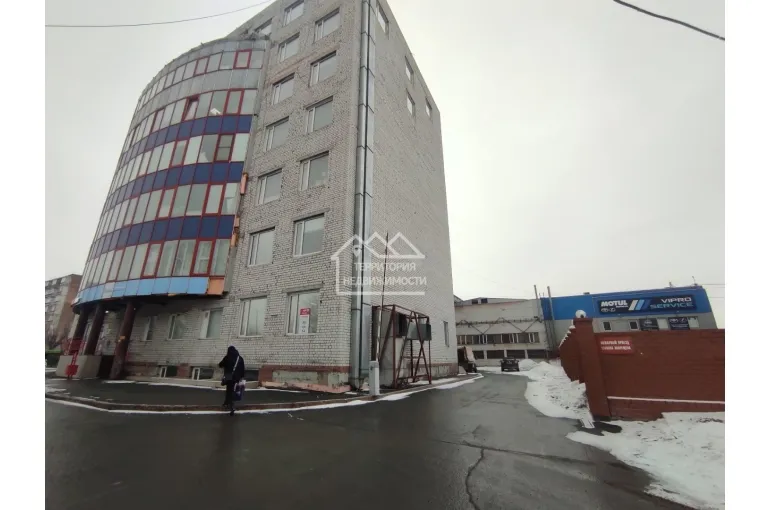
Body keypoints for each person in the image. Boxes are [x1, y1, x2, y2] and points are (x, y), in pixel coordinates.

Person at [218, 346, 244, 415]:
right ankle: (229, 403)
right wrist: (241, 377)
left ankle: (229, 404)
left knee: (229, 390)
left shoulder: (227, 357)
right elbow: (243, 368)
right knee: (233, 390)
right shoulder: (240, 358)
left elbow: (220, 365)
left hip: (228, 375)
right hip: (237, 377)